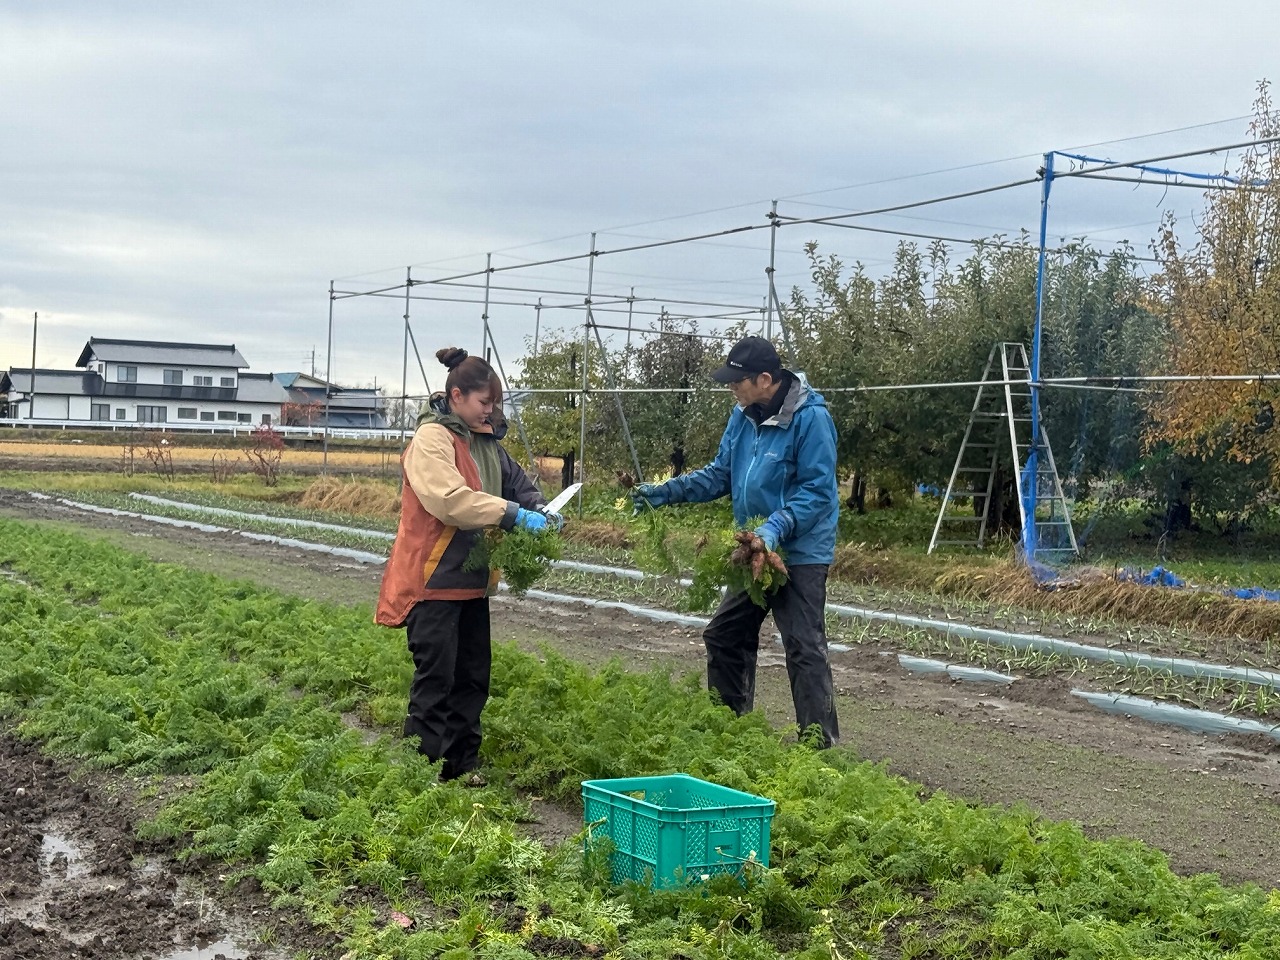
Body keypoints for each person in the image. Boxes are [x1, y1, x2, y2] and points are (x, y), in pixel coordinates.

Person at [632, 336, 840, 748]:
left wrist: (775, 528)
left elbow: (817, 492)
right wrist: (666, 492)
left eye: (737, 380)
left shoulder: (810, 418)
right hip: (753, 548)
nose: (731, 386)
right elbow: (720, 474)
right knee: (725, 635)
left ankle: (820, 751)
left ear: (764, 379)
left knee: (803, 646)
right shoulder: (742, 416)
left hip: (799, 552)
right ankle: (730, 733)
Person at [376, 347, 554, 784]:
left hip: (473, 582)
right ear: (457, 396)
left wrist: (539, 509)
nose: (490, 410)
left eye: (494, 403)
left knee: (472, 679)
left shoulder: (487, 443)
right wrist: (511, 515)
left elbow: (518, 484)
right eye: (484, 402)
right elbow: (449, 501)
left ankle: (460, 768)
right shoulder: (432, 441)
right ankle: (420, 776)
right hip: (433, 580)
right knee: (436, 680)